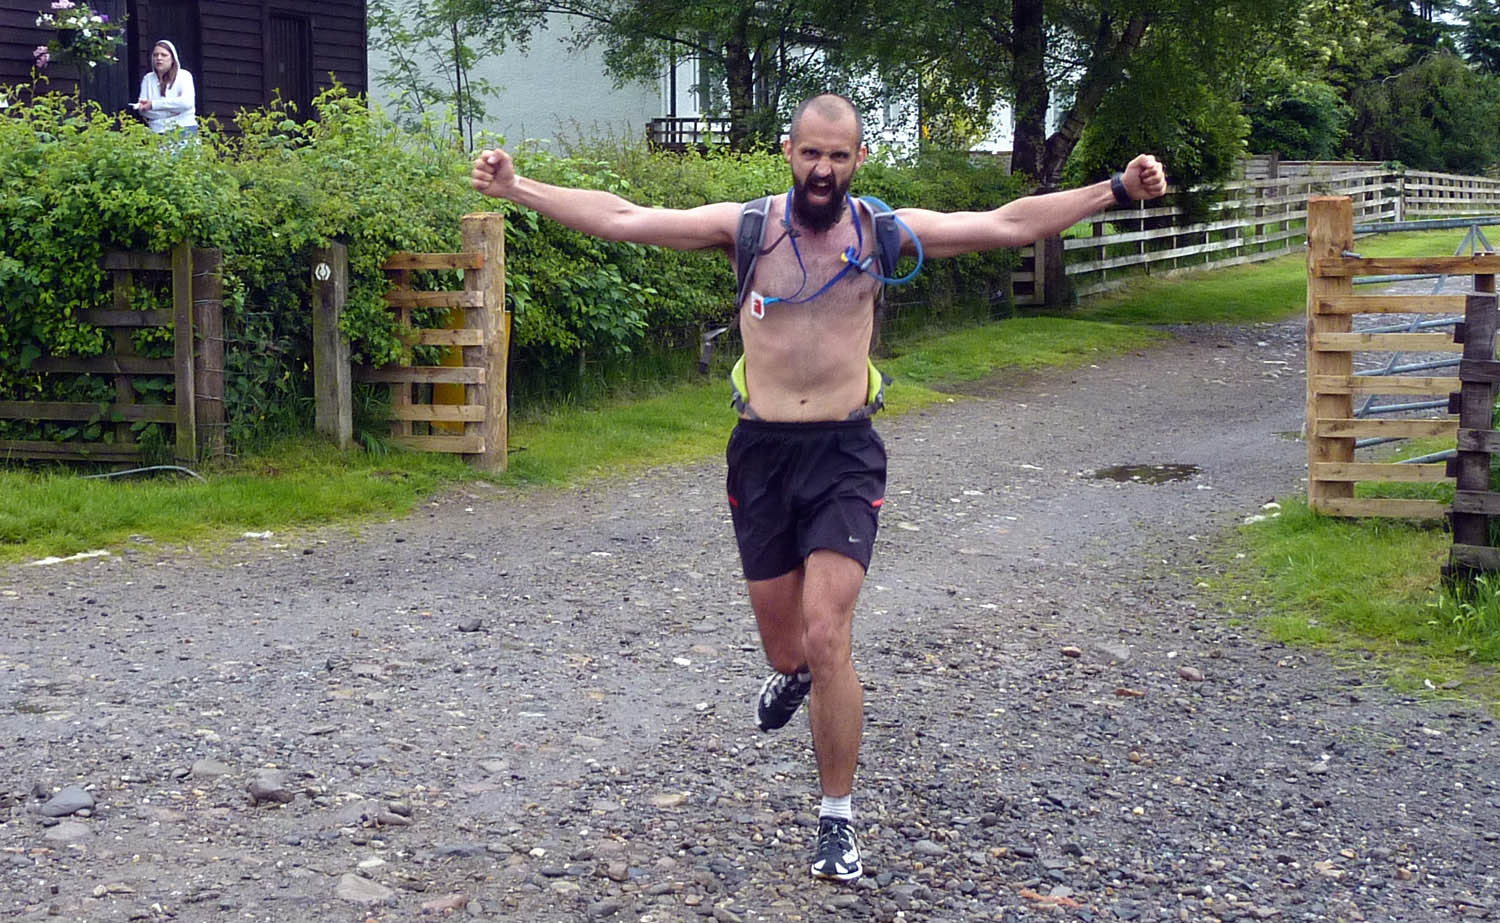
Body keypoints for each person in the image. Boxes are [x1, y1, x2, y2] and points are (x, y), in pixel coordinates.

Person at [471, 93, 1166, 883]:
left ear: (859, 158)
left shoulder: (882, 232)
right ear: (789, 152)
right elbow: (626, 217)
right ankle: (794, 672)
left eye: (839, 156)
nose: (824, 170)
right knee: (789, 647)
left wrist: (1115, 189)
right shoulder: (746, 228)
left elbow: (1007, 223)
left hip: (844, 452)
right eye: (811, 154)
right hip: (760, 454)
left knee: (829, 633)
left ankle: (837, 817)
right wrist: (519, 188)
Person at [136, 40, 196, 137]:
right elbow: (143, 109)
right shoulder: (148, 79)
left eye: (164, 55)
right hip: (157, 131)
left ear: (172, 59)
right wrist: (171, 111)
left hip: (184, 129)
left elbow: (186, 103)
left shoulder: (184, 76)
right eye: (155, 55)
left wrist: (153, 105)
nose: (159, 58)